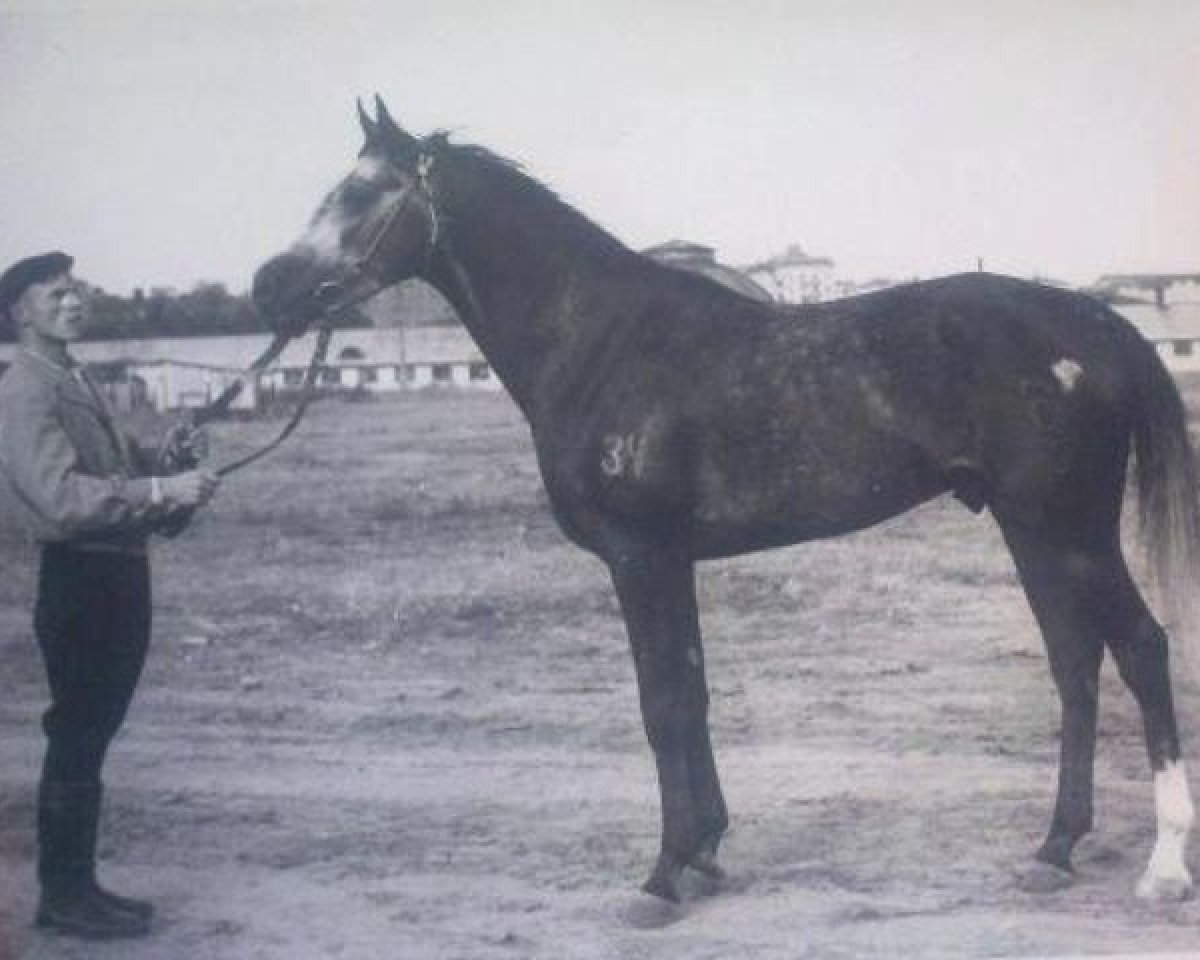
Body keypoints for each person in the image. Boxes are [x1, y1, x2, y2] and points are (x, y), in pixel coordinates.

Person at [0, 252, 220, 939]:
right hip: (82, 580)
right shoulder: (26, 389)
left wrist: (168, 464)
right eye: (57, 293)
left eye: (76, 290)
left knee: (90, 733)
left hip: (117, 575)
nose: (74, 301)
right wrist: (160, 492)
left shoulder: (71, 377)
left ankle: (77, 885)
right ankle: (61, 896)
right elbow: (61, 500)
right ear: (20, 312)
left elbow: (114, 477)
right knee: (79, 732)